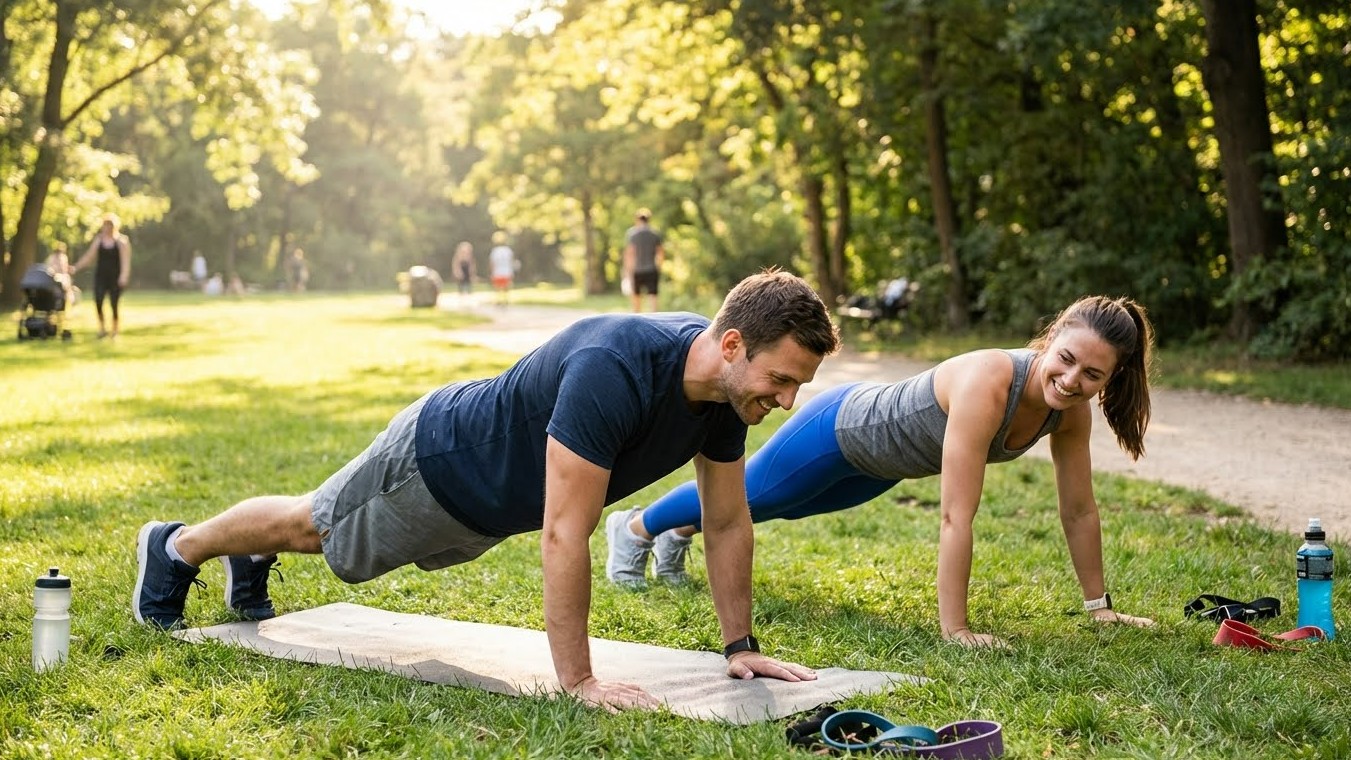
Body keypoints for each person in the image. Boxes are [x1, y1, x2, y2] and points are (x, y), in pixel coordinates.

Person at [131, 269, 841, 711]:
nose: (783, 402)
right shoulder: (615, 367)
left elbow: (724, 522)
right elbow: (567, 530)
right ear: (729, 346)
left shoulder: (725, 399)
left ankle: (244, 560)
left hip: (488, 506)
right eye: (778, 380)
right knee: (313, 528)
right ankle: (177, 545)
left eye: (795, 387)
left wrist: (738, 645)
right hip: (439, 463)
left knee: (318, 531)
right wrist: (579, 681)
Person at [607, 295, 1157, 648]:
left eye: (1092, 374)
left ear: (1111, 378)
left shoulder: (1071, 416)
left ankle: (679, 529)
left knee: (781, 508)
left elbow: (1079, 511)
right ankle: (634, 529)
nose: (1070, 379)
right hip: (843, 430)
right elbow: (955, 516)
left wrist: (1098, 609)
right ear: (1052, 336)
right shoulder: (991, 380)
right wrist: (956, 629)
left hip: (883, 468)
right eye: (1065, 358)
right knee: (754, 497)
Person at [69, 214, 131, 339]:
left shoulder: (121, 242)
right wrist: (76, 267)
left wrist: (123, 276)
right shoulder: (99, 240)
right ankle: (102, 329)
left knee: (114, 303)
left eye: (110, 225)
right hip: (101, 276)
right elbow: (89, 257)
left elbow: (125, 261)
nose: (107, 228)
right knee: (98, 300)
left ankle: (115, 330)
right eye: (105, 225)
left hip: (115, 276)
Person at [623, 208, 665, 313]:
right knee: (653, 296)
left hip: (637, 270)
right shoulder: (655, 233)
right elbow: (660, 252)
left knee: (636, 297)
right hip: (651, 269)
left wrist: (628, 270)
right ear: (648, 220)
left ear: (637, 219)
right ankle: (655, 317)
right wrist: (659, 266)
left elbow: (630, 253)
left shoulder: (632, 234)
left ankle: (637, 318)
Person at [488, 231, 515, 307]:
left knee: (497, 287)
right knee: (506, 287)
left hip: (497, 271)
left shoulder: (495, 251)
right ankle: (505, 300)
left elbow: (492, 263)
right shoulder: (508, 250)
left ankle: (498, 300)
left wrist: (491, 272)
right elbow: (511, 261)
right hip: (506, 271)